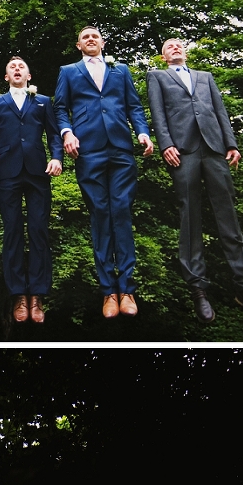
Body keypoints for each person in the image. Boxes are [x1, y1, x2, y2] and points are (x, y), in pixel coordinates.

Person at [146, 38, 243, 325]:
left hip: (214, 149)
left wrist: (232, 144)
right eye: (169, 47)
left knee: (229, 217)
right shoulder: (157, 77)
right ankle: (198, 289)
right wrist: (165, 144)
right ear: (163, 58)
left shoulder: (206, 77)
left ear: (185, 53)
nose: (175, 48)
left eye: (178, 45)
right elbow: (157, 112)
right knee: (190, 217)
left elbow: (220, 111)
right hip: (182, 151)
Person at [54, 25, 153, 319]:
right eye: (85, 36)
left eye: (95, 36)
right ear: (78, 44)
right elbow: (60, 108)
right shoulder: (68, 71)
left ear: (103, 42)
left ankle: (127, 289)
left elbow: (134, 106)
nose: (91, 39)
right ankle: (108, 291)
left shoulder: (120, 69)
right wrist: (67, 132)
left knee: (121, 210)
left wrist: (143, 133)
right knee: (99, 212)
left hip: (121, 146)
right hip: (88, 148)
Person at [0, 58, 63, 325]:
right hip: (7, 173)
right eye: (12, 67)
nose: (17, 69)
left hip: (39, 172)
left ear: (28, 74)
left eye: (21, 66)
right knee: (12, 231)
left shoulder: (43, 102)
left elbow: (53, 133)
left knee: (39, 230)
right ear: (6, 77)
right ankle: (17, 295)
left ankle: (37, 296)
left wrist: (57, 157)